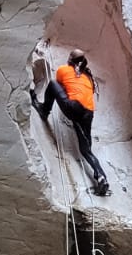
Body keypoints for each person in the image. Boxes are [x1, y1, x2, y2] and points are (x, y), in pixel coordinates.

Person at [31, 49, 111, 197]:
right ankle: (101, 177)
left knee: (53, 84)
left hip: (73, 108)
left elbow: (62, 85)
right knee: (86, 150)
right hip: (89, 113)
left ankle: (44, 110)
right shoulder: (88, 78)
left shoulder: (63, 70)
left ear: (70, 59)